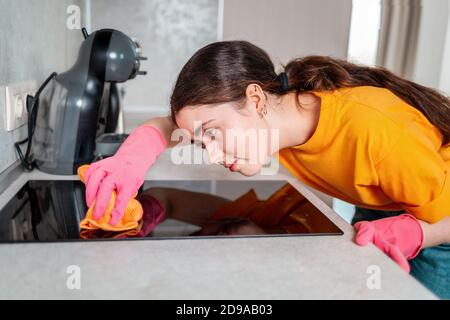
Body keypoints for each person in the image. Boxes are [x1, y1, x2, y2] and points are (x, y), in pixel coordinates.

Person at [83, 41, 450, 298]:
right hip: (387, 201)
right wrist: (135, 153)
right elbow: (169, 126)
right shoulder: (279, 117)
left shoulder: (374, 132)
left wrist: (415, 233)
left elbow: (443, 217)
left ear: (255, 99)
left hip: (439, 222)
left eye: (212, 133)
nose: (211, 154)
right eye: (200, 140)